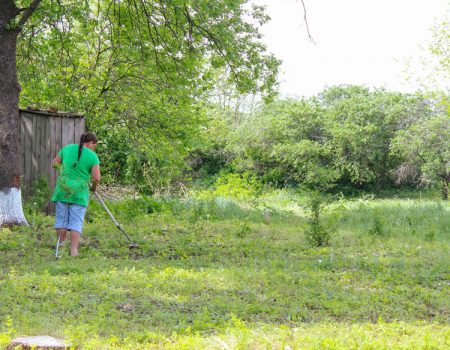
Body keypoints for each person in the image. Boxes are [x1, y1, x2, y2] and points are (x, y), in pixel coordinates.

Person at [51, 132, 101, 256]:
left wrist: (64, 172)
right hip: (80, 193)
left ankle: (60, 249)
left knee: (62, 220)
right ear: (90, 143)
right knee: (76, 222)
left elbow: (54, 163)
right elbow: (96, 178)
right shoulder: (92, 156)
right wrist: (93, 188)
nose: (94, 148)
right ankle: (73, 251)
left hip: (63, 189)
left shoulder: (67, 148)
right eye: (94, 145)